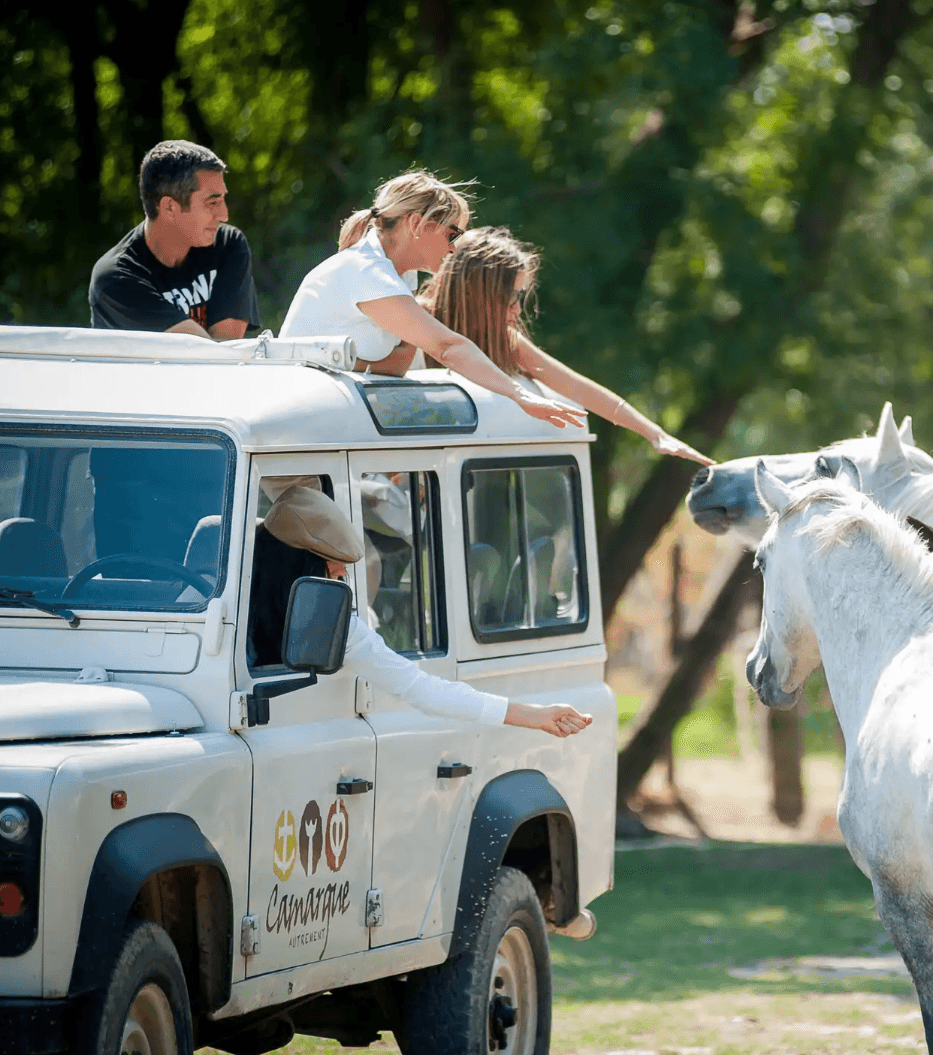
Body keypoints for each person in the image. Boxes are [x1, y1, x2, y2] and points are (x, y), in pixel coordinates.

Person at [249, 484, 592, 736]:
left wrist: (532, 714)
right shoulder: (224, 602)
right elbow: (420, 689)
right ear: (297, 566)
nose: (341, 578)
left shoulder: (336, 623)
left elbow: (420, 686)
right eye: (332, 567)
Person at [279, 171, 584, 430]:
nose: (454, 249)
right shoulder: (369, 273)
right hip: (297, 430)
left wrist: (358, 363)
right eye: (451, 235)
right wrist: (520, 395)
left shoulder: (397, 275)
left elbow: (398, 366)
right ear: (415, 224)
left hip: (322, 427)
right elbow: (448, 347)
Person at [421, 226, 713, 465]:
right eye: (511, 297)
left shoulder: (505, 341)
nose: (517, 310)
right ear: (478, 293)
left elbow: (574, 386)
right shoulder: (413, 321)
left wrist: (655, 434)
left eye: (520, 297)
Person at [89, 140, 261, 339]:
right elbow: (206, 354)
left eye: (223, 199)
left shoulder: (227, 245)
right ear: (170, 207)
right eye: (212, 202)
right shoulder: (115, 278)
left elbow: (226, 349)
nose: (224, 215)